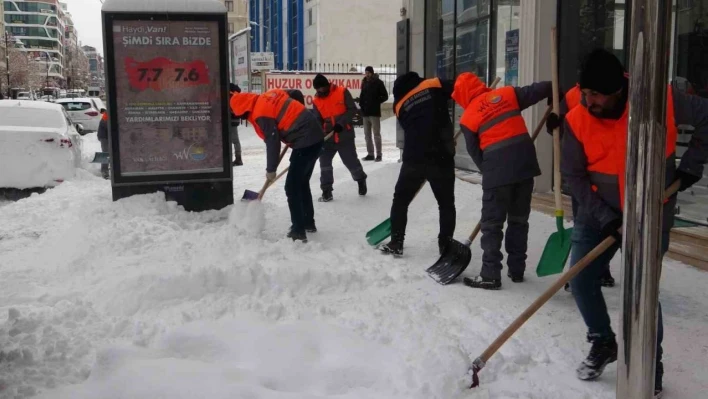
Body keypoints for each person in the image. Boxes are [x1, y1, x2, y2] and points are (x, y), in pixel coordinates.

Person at [554, 48, 707, 397]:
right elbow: (574, 176)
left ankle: (649, 365)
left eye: (596, 94)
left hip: (651, 210)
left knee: (642, 292)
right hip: (597, 212)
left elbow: (706, 118)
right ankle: (603, 341)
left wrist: (691, 165)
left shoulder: (660, 99)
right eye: (585, 92)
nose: (588, 100)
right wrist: (607, 219)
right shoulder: (577, 117)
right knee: (580, 279)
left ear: (618, 90)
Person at [452, 72, 552, 290]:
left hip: (497, 170)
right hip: (525, 166)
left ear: (461, 95)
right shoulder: (506, 94)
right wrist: (554, 91)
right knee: (518, 220)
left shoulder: (468, 118)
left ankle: (490, 273)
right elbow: (539, 89)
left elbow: (476, 153)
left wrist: (491, 173)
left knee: (492, 224)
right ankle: (517, 270)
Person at [230, 88, 326, 242]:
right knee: (301, 183)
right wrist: (296, 116)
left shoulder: (261, 113)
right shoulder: (267, 95)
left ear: (244, 109)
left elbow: (272, 141)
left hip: (306, 140)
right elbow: (294, 94)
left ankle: (298, 231)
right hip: (313, 135)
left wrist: (271, 170)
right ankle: (308, 223)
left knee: (292, 187)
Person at [379, 72, 456, 257]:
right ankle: (445, 245)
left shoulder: (399, 105)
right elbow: (459, 89)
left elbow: (416, 126)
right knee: (446, 204)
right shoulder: (434, 84)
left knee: (400, 200)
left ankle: (396, 241)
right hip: (441, 156)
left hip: (414, 157)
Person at [551, 84, 616, 291]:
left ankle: (598, 271)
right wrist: (554, 122)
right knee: (588, 225)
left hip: (611, 172)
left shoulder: (620, 91)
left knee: (607, 227)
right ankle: (581, 275)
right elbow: (559, 128)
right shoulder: (571, 96)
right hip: (583, 171)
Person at [312, 73, 367, 202]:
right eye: (318, 89)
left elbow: (352, 109)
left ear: (327, 85)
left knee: (351, 162)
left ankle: (360, 179)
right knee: (324, 164)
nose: (321, 91)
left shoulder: (342, 91)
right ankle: (326, 191)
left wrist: (341, 124)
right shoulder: (316, 101)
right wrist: (319, 134)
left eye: (323, 87)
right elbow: (317, 120)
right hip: (328, 138)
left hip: (344, 135)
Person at [358, 66, 389, 162]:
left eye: (368, 72)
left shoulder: (378, 83)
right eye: (366, 72)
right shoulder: (364, 82)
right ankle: (370, 154)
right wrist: (361, 104)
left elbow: (385, 96)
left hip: (374, 113)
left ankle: (379, 154)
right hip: (365, 112)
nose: (367, 74)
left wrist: (376, 102)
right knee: (367, 135)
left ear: (372, 73)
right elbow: (362, 95)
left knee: (376, 134)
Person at [229, 83, 243, 166]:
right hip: (235, 119)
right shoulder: (236, 94)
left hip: (231, 119)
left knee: (234, 140)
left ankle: (238, 159)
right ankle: (238, 158)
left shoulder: (230, 95)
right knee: (234, 140)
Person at [97, 108, 110, 179]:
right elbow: (108, 125)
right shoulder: (107, 114)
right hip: (104, 136)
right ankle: (104, 170)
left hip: (109, 135)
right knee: (106, 153)